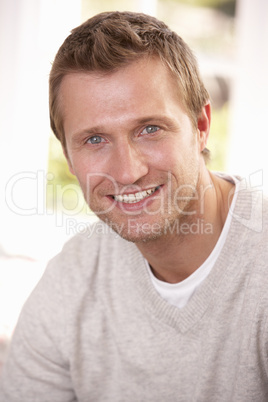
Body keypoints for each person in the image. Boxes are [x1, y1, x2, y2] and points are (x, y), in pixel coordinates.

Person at [0, 10, 267, 402]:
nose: (127, 172)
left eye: (149, 129)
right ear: (69, 158)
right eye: (94, 140)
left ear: (201, 125)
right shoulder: (73, 278)